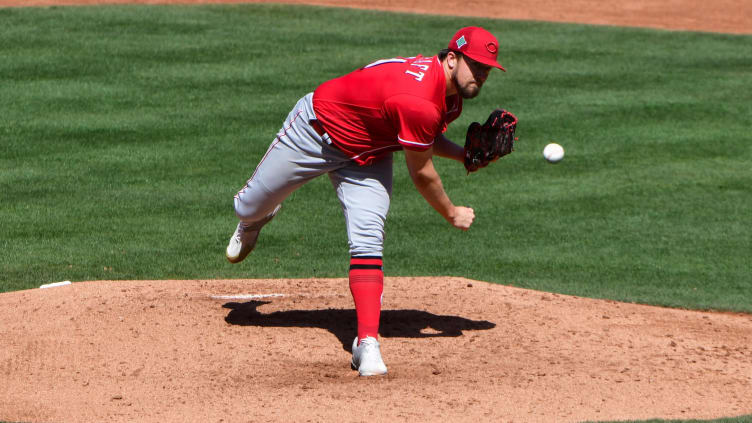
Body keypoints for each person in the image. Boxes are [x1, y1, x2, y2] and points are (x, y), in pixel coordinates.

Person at [226, 26, 506, 376]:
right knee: (247, 205)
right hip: (315, 132)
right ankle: (254, 219)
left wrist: (465, 155)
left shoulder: (449, 98)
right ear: (452, 58)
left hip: (369, 157)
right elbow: (423, 174)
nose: (480, 74)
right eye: (475, 65)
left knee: (368, 240)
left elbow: (419, 137)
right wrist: (451, 213)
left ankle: (367, 343)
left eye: (487, 69)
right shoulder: (420, 98)